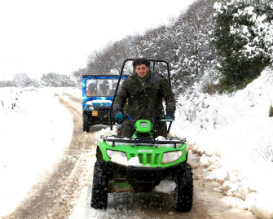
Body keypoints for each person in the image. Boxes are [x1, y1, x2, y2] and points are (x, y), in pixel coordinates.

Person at [113, 58, 176, 137]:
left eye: (143, 68)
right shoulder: (128, 82)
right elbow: (120, 98)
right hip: (132, 119)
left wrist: (170, 111)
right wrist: (117, 110)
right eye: (138, 69)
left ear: (147, 68)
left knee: (162, 141)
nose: (141, 71)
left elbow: (169, 96)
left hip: (156, 119)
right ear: (135, 69)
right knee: (123, 141)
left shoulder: (159, 80)